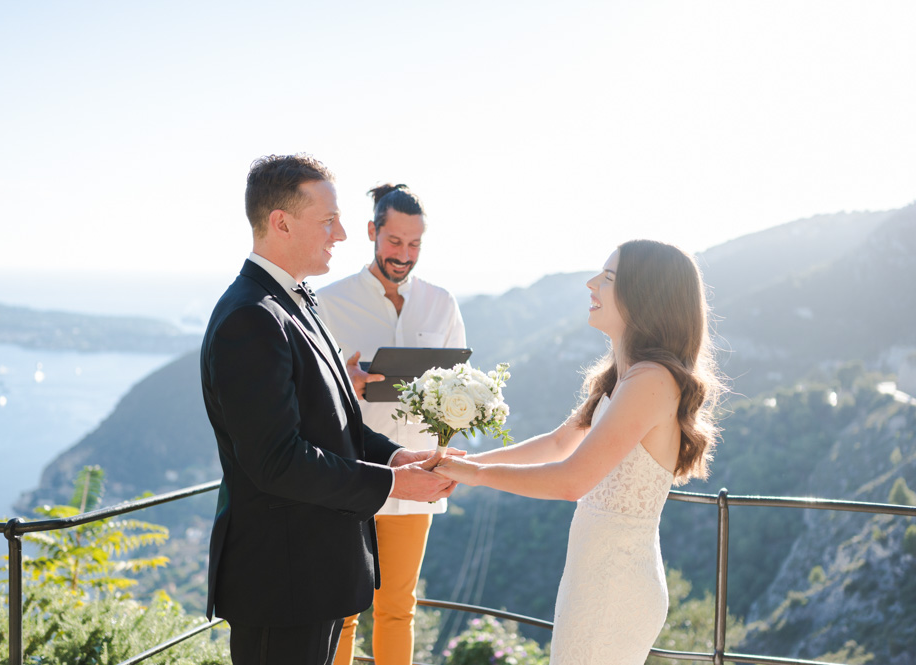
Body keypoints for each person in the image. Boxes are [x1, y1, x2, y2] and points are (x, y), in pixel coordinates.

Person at [200, 154, 457, 665]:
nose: (341, 234)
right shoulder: (251, 318)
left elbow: (334, 418)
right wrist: (389, 487)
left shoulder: (297, 301)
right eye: (328, 220)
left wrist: (393, 457)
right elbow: (277, 461)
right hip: (281, 585)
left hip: (311, 578)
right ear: (281, 222)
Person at [434, 239, 724, 664]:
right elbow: (556, 443)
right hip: (595, 573)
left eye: (607, 278)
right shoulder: (625, 376)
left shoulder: (651, 380)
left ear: (645, 295)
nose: (591, 284)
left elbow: (572, 480)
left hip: (616, 581)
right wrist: (467, 462)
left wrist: (476, 478)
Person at [316, 183, 466, 665]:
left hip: (416, 475)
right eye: (395, 241)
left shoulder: (441, 304)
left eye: (414, 244)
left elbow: (461, 389)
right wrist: (346, 380)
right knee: (342, 608)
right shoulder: (328, 302)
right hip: (351, 472)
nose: (404, 254)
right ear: (371, 232)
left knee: (399, 608)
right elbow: (305, 390)